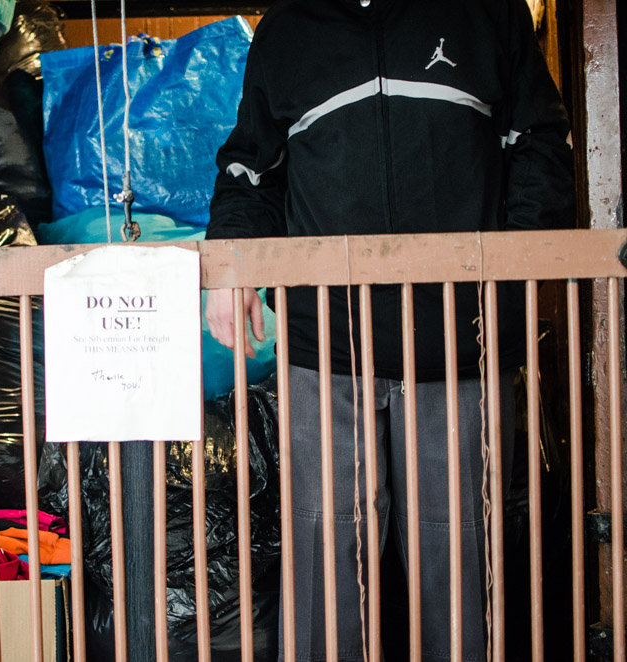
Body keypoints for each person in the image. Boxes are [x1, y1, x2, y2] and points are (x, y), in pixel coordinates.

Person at [204, 1, 575, 660]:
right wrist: (230, 269)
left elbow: (541, 146)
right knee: (323, 555)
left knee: (459, 553)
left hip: (459, 343)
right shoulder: (287, 29)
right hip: (324, 347)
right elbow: (249, 170)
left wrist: (511, 278)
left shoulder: (489, 13)